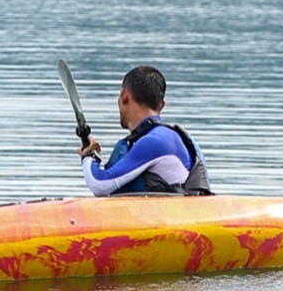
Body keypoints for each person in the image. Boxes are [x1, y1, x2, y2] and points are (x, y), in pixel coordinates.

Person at [78, 65, 212, 195]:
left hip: (173, 214)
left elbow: (99, 184)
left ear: (125, 95)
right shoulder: (176, 138)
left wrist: (90, 156)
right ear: (162, 105)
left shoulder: (155, 141)